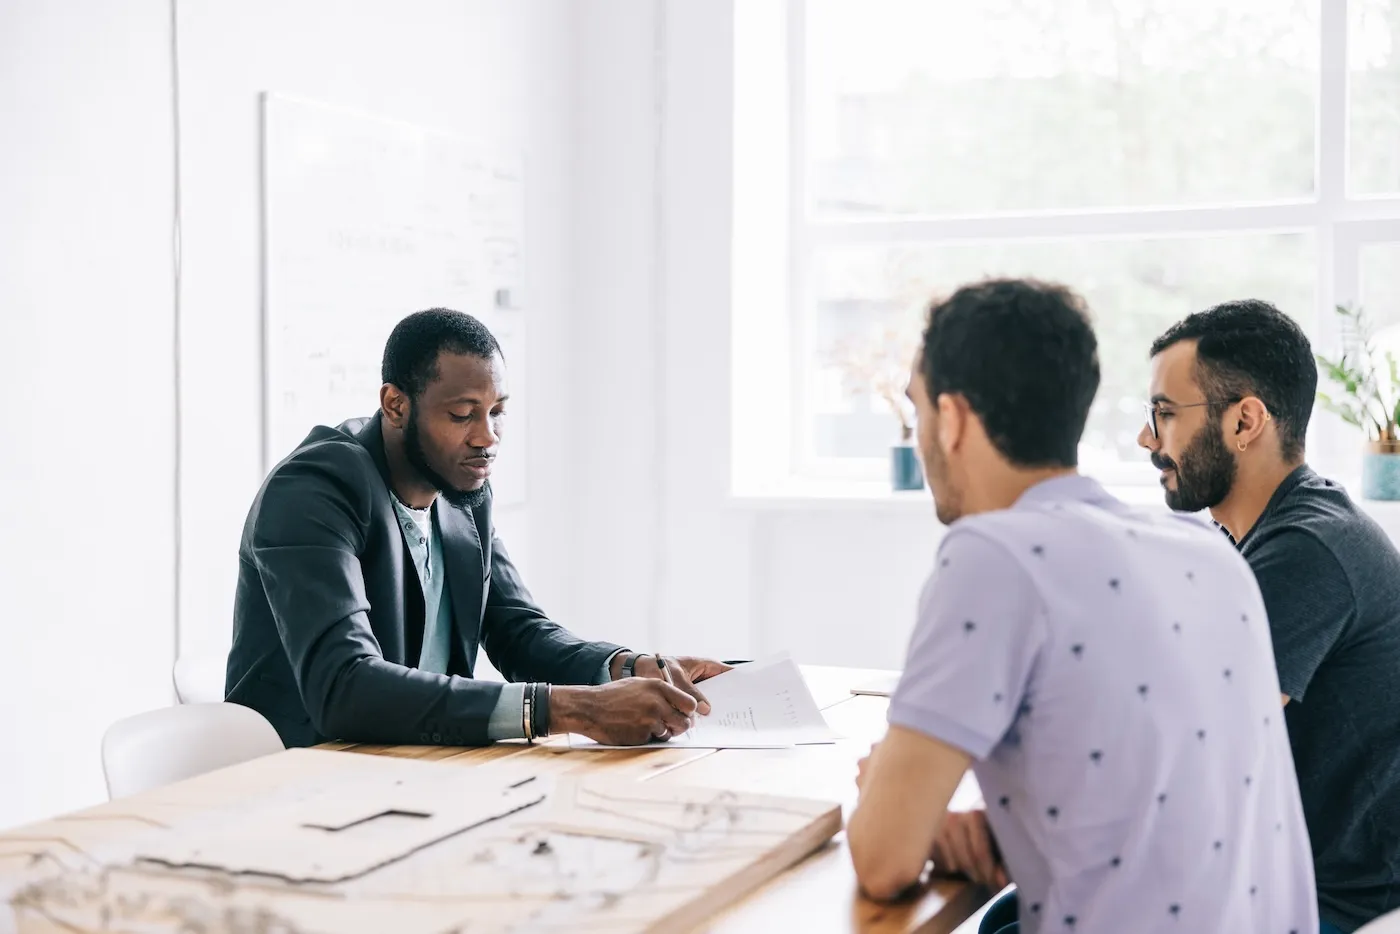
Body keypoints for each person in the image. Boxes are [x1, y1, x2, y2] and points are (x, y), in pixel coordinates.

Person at [846, 279, 1316, 933]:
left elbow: (884, 858)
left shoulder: (994, 556)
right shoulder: (1205, 551)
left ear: (951, 418)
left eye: (919, 409)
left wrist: (881, 797)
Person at [226, 308, 729, 748]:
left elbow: (518, 632)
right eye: (463, 414)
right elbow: (346, 687)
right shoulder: (313, 491)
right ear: (396, 405)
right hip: (308, 778)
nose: (487, 437)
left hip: (419, 764)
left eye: (497, 412)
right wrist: (576, 710)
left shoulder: (462, 491)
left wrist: (628, 667)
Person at [1142, 300, 1400, 934]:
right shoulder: (1265, 535)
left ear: (1245, 420)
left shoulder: (1308, 548)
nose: (1149, 439)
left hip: (1323, 902)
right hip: (1271, 870)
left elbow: (1184, 749)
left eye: (1165, 414)